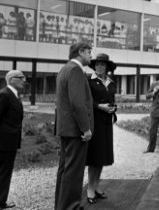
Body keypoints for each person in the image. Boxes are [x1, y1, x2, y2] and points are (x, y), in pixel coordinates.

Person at [55, 42, 94, 210]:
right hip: (76, 130)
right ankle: (71, 206)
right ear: (80, 52)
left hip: (66, 129)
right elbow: (77, 103)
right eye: (89, 52)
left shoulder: (65, 69)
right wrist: (85, 128)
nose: (91, 56)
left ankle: (62, 205)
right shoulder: (76, 70)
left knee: (65, 170)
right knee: (74, 172)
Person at [85, 54, 117, 204]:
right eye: (97, 64)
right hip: (95, 122)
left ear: (107, 67)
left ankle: (96, 186)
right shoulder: (88, 81)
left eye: (102, 65)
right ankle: (90, 188)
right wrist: (99, 106)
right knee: (94, 157)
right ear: (94, 66)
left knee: (103, 156)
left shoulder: (111, 82)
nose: (99, 67)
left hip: (106, 122)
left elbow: (111, 99)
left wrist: (112, 107)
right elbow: (85, 101)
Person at [0, 70, 26, 209]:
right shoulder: (5, 95)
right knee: (4, 172)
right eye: (21, 78)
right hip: (4, 142)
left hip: (9, 142)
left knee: (5, 172)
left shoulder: (14, 95)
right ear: (11, 79)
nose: (24, 80)